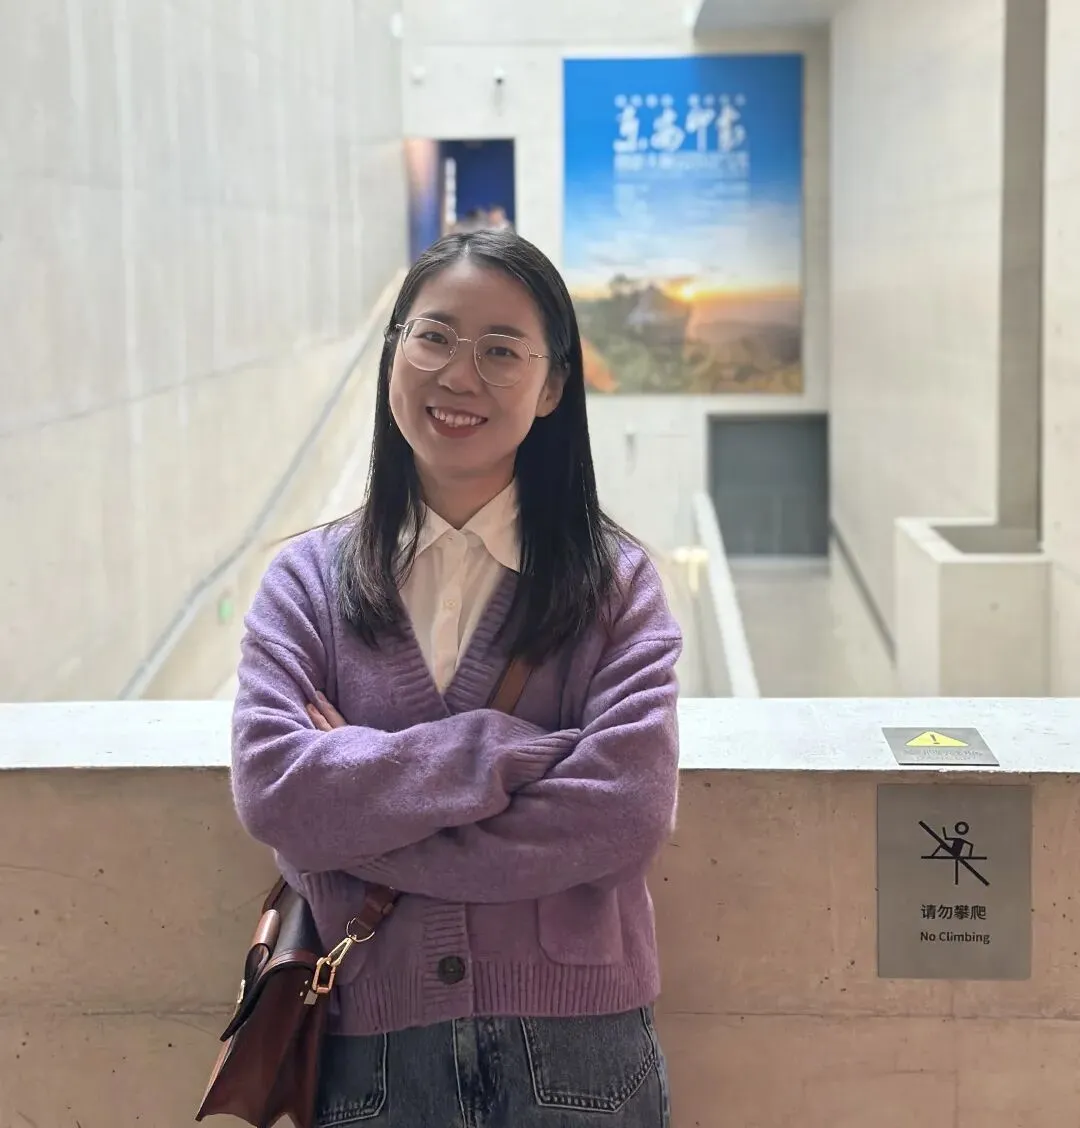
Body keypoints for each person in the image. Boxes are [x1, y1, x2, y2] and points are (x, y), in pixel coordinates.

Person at [230, 228, 682, 1127]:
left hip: (579, 1061)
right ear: (394, 350)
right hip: (368, 1059)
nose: (459, 375)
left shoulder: (616, 586)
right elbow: (277, 794)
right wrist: (505, 752)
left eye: (501, 351)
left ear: (552, 387)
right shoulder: (304, 584)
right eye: (434, 337)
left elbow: (626, 812)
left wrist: (353, 812)